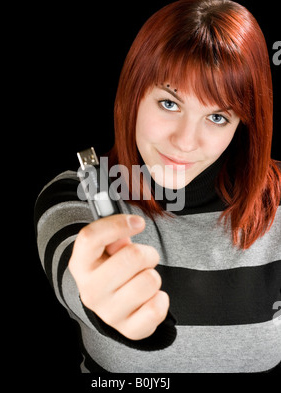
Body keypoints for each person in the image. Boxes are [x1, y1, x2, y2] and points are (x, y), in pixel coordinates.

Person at [34, 0, 281, 373]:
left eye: (217, 116)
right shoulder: (76, 195)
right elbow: (74, 270)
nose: (185, 141)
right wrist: (102, 299)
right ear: (134, 95)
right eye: (169, 103)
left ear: (243, 124)